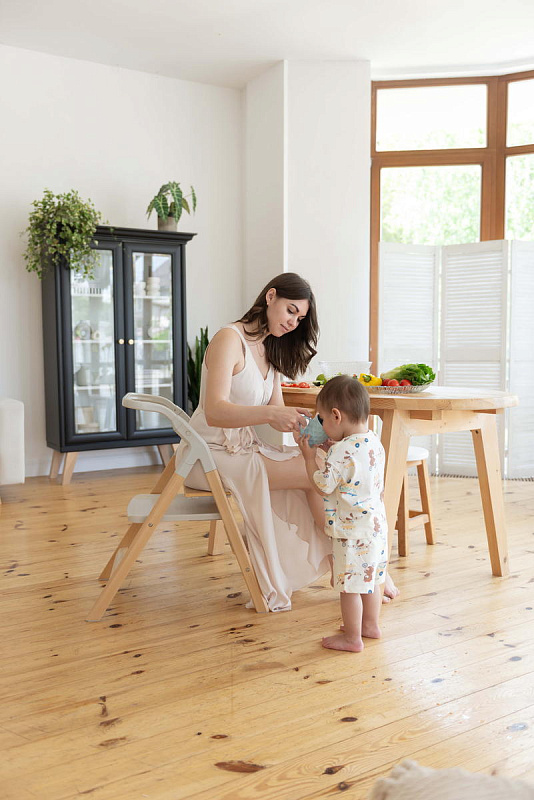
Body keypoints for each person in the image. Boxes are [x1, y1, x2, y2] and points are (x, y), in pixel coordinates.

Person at [180, 272, 398, 611]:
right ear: (271, 297)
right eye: (291, 311)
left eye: (299, 318)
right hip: (207, 456)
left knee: (323, 466)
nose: (293, 322)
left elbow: (280, 415)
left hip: (242, 450)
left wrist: (315, 438)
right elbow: (214, 411)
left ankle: (353, 564)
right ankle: (358, 565)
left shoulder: (269, 351)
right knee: (319, 475)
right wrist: (273, 416)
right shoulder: (228, 339)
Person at [298, 375, 388, 651]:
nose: (321, 425)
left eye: (322, 419)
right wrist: (331, 451)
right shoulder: (373, 442)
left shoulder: (340, 451)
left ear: (336, 416)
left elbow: (323, 486)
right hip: (375, 528)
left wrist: (309, 459)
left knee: (349, 586)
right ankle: (370, 625)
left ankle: (352, 638)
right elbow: (355, 470)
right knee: (371, 579)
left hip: (351, 533)